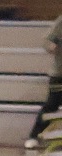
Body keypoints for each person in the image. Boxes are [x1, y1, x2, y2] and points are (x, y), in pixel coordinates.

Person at [25, 10, 62, 148]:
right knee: (52, 105)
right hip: (60, 73)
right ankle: (34, 135)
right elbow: (47, 41)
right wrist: (52, 46)